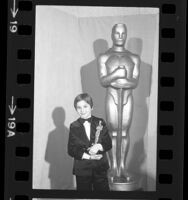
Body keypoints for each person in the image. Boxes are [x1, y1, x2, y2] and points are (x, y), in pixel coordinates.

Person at [97, 23, 140, 182]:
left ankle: (123, 167)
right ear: (112, 34)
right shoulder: (104, 57)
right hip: (112, 98)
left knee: (124, 133)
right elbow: (103, 81)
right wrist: (116, 74)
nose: (120, 36)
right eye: (117, 33)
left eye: (123, 33)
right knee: (112, 132)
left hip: (127, 98)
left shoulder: (134, 57)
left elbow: (134, 82)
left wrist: (118, 82)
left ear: (126, 35)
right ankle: (113, 167)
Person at [67, 93, 112, 191]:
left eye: (85, 106)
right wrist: (88, 156)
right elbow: (71, 150)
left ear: (91, 107)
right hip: (82, 169)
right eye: (78, 107)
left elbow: (108, 144)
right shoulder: (73, 126)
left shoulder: (100, 122)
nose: (82, 110)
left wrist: (99, 146)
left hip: (100, 168)